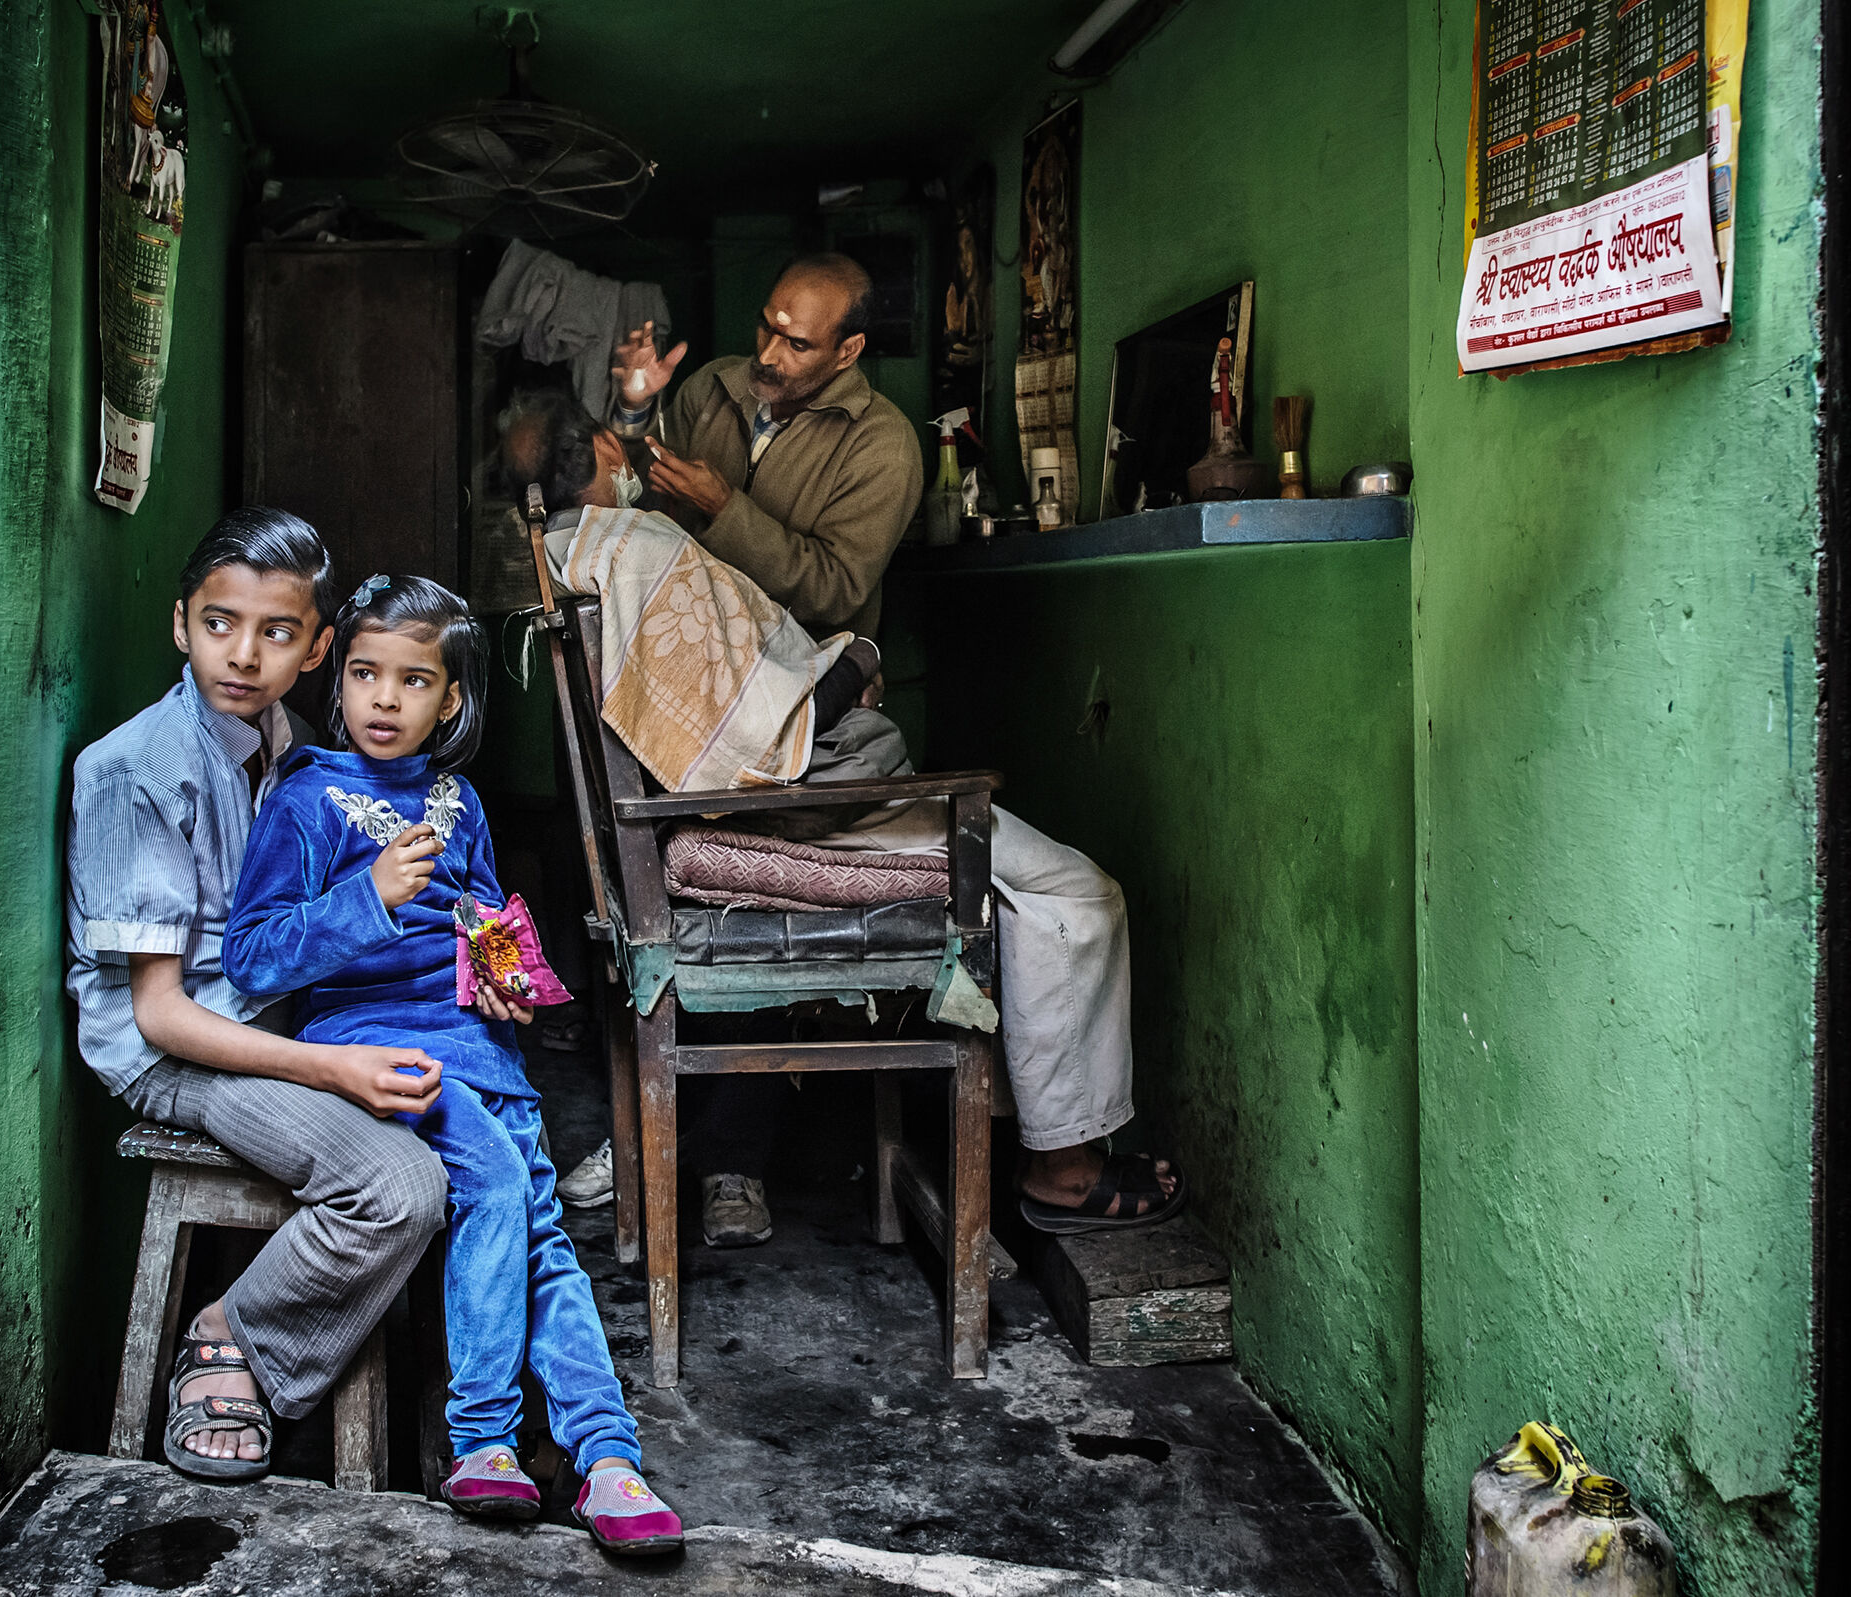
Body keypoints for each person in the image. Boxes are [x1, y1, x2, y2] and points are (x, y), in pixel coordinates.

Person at [588, 255, 1183, 1246]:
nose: (768, 354)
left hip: (793, 753)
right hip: (779, 775)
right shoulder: (711, 393)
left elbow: (830, 587)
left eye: (796, 342)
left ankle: (1034, 1144)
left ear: (851, 349)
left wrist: (724, 508)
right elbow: (634, 506)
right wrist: (641, 417)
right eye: (766, 325)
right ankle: (1066, 1167)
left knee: (1052, 890)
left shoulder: (883, 446)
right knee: (1073, 892)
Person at [221, 574, 681, 1555]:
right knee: (502, 1188)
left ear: (451, 698)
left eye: (414, 680)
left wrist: (504, 975)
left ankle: (608, 1456)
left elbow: (479, 920)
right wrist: (372, 896)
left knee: (545, 1237)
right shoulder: (307, 797)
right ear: (337, 679)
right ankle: (483, 1438)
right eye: (364, 674)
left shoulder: (457, 799)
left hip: (484, 1054)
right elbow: (252, 956)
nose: (385, 699)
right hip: (378, 1053)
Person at [66, 510, 447, 1482]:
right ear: (180, 623)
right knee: (398, 1187)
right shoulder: (134, 772)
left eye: (277, 632)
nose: (243, 654)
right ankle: (231, 1333)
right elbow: (160, 1014)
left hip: (270, 1015)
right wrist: (332, 1068)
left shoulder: (292, 744)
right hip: (177, 1054)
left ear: (317, 649)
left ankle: (475, 1406)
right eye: (219, 623)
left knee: (472, 1117)